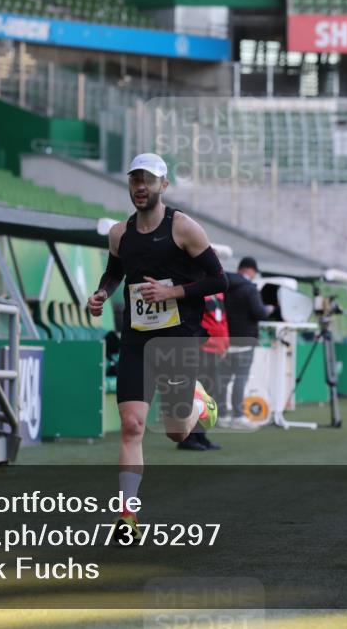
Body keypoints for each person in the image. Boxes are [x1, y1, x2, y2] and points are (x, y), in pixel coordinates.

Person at [87, 153, 227, 542]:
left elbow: (219, 281)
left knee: (177, 433)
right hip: (137, 336)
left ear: (164, 185)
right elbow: (115, 271)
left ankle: (199, 403)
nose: (140, 186)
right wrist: (101, 293)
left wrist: (172, 292)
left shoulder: (184, 228)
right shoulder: (119, 233)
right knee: (132, 426)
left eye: (148, 179)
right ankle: (128, 515)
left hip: (178, 334)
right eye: (135, 180)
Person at [220, 256, 274, 428]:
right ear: (251, 271)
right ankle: (237, 415)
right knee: (240, 379)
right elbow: (259, 313)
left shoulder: (225, 285)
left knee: (223, 379)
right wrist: (268, 309)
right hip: (245, 340)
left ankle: (221, 415)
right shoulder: (250, 289)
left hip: (226, 339)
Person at [176, 291, 228, 451]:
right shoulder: (197, 293)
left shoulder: (219, 294)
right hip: (200, 349)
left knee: (209, 395)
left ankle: (200, 434)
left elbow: (222, 322)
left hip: (214, 351)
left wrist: (224, 345)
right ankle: (187, 437)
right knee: (195, 395)